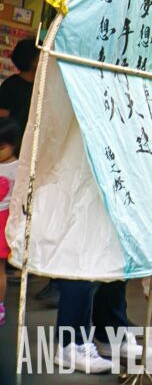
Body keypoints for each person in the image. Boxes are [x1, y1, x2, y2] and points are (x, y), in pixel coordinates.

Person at [0, 38, 38, 136]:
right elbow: (2, 115)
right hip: (12, 144)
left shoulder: (40, 87)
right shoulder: (11, 85)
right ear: (32, 59)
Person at [0, 119, 17, 325]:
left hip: (4, 220)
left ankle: (0, 304)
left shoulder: (20, 167)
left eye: (2, 148)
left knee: (0, 267)